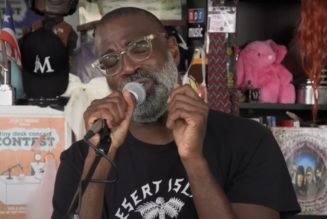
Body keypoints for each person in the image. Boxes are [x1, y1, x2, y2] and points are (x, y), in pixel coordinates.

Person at [52, 7, 300, 219]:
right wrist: (100, 158)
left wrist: (194, 161)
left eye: (139, 48)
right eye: (110, 60)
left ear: (172, 51)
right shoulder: (81, 160)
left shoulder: (249, 141)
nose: (127, 67)